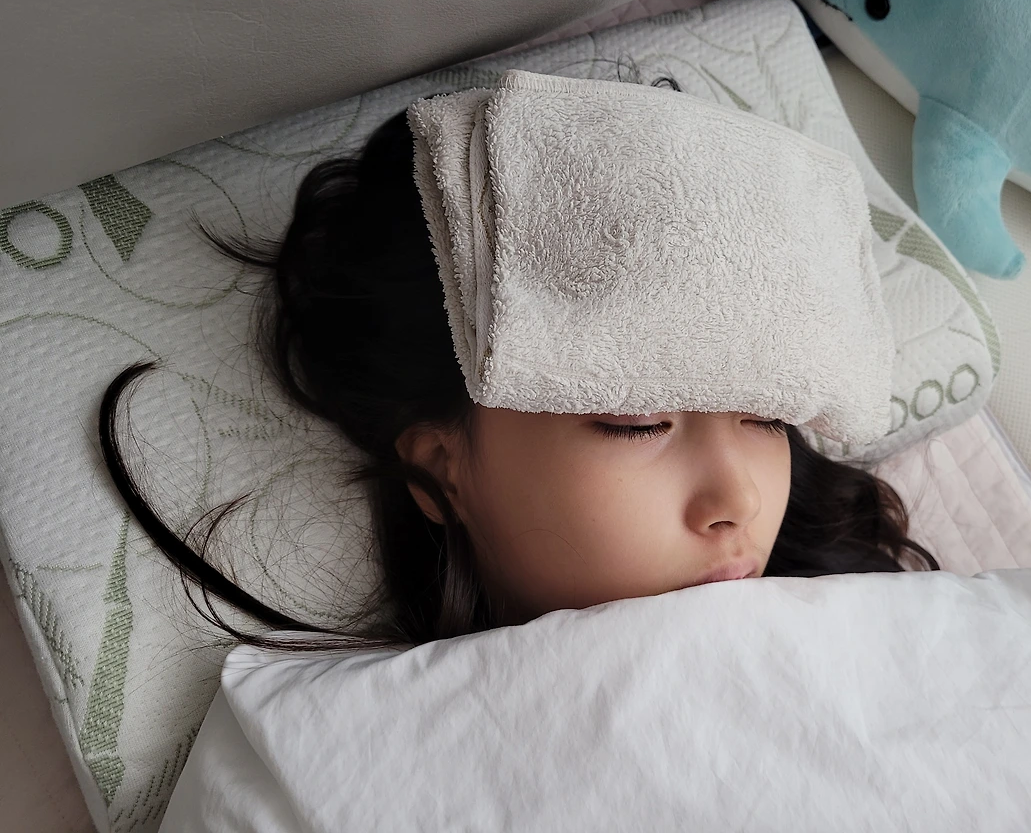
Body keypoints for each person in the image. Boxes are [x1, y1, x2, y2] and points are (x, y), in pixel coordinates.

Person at [99, 78, 937, 650]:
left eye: (767, 414)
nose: (738, 502)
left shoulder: (897, 634)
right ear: (443, 470)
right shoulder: (362, 749)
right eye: (637, 422)